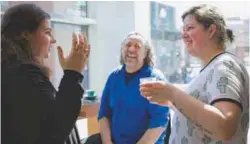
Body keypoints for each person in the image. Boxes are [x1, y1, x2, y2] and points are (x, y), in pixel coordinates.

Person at [140, 4, 249, 144]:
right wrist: (172, 102)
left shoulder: (224, 65)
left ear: (211, 31)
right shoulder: (211, 68)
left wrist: (174, 94)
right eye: (183, 29)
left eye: (190, 28)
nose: (183, 35)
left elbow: (224, 128)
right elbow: (202, 113)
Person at [1, 3, 90, 144]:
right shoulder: (22, 76)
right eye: (47, 32)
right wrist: (72, 75)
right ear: (25, 35)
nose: (53, 40)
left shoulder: (15, 72)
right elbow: (55, 129)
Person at [85, 32, 170, 144]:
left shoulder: (155, 79)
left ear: (145, 54)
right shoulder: (114, 77)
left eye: (137, 46)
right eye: (128, 45)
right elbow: (104, 114)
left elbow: (159, 122)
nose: (131, 49)